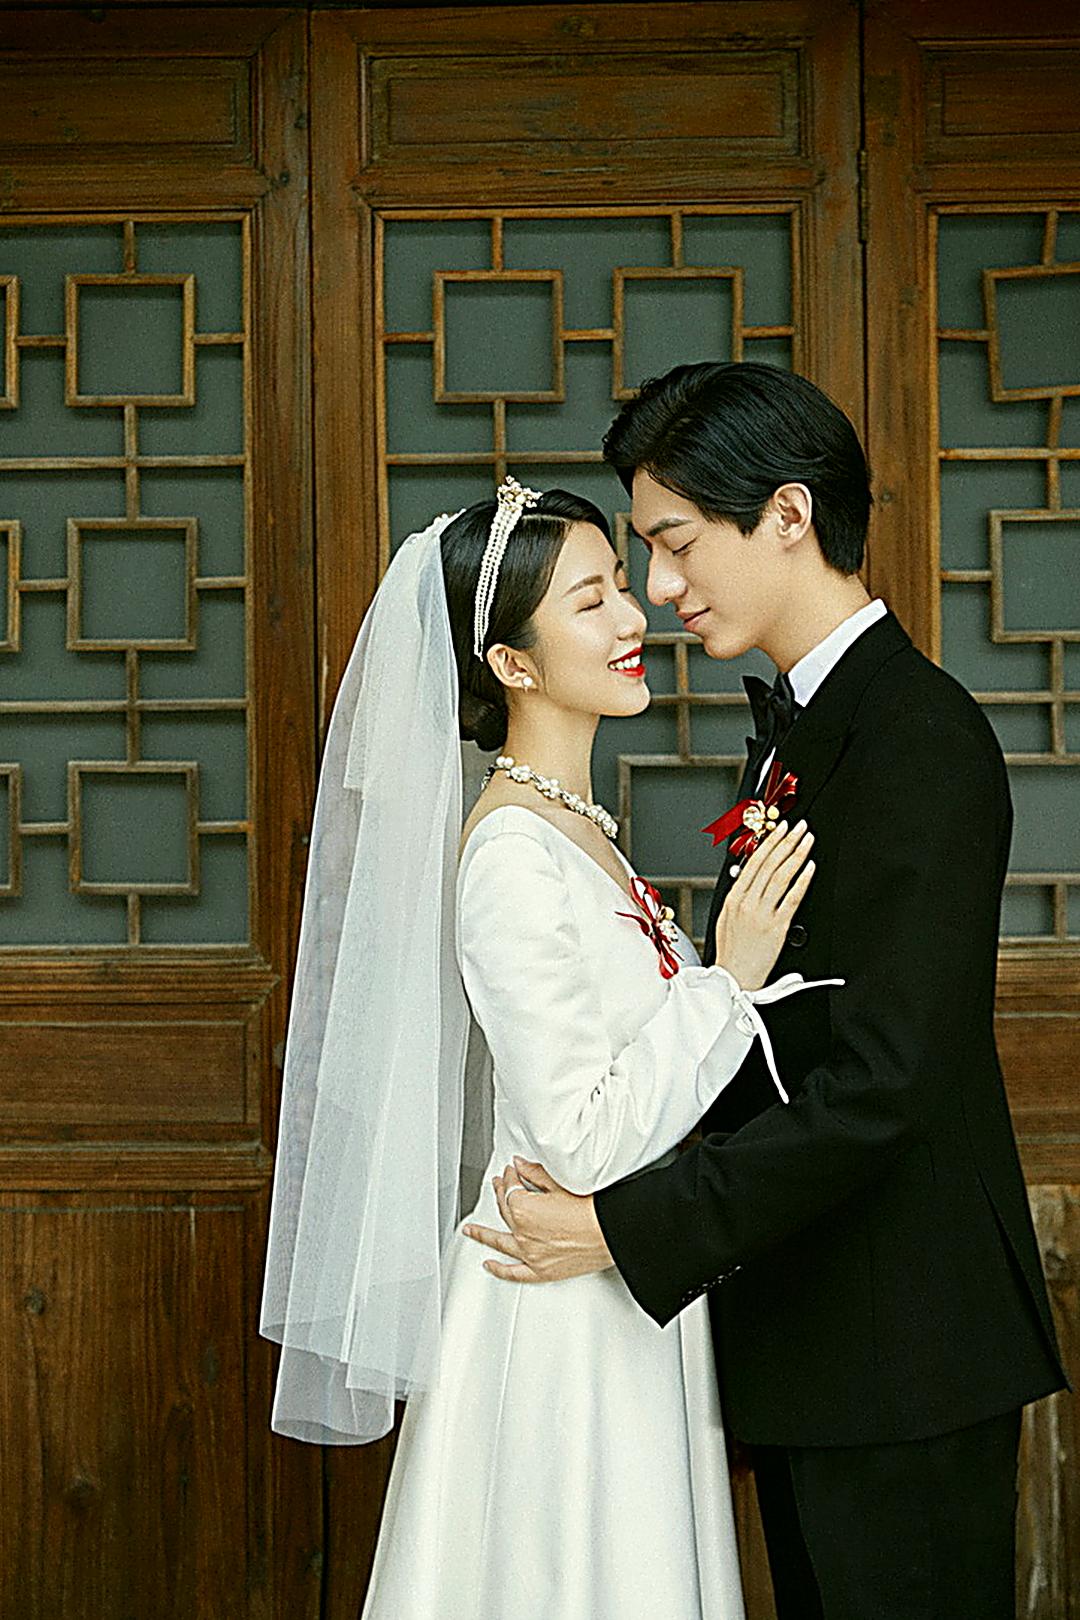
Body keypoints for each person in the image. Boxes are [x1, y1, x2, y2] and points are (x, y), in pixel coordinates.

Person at [466, 363, 1067, 1620]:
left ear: (788, 514)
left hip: (903, 1345)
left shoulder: (918, 736)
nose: (662, 587)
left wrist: (628, 1229)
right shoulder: (803, 730)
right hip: (809, 1332)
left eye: (677, 543)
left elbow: (886, 1079)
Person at [261, 476, 837, 1619]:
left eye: (622, 583)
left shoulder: (576, 830)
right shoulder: (510, 858)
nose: (632, 616)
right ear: (511, 665)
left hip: (622, 1284)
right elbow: (579, 1136)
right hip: (560, 1317)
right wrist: (727, 981)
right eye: (590, 601)